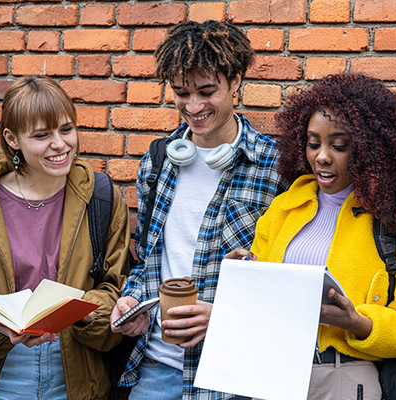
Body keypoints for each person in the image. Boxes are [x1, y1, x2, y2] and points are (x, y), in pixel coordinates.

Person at [227, 73, 396, 399]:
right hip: (271, 371)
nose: (322, 156)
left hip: (343, 376)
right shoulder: (285, 207)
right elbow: (263, 305)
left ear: (371, 150)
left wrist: (357, 322)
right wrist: (246, 274)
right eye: (313, 144)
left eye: (339, 146)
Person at [109, 20, 289, 400]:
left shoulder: (275, 167)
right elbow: (148, 262)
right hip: (155, 370)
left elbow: (287, 281)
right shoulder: (156, 163)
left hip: (235, 373)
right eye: (181, 93)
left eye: (207, 91)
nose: (193, 107)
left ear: (236, 80)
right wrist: (132, 300)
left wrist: (223, 315)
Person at [0, 75, 130, 399]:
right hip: (1, 370)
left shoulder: (101, 197)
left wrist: (87, 310)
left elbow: (117, 287)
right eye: (42, 135)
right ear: (12, 139)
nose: (60, 144)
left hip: (77, 370)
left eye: (66, 129)